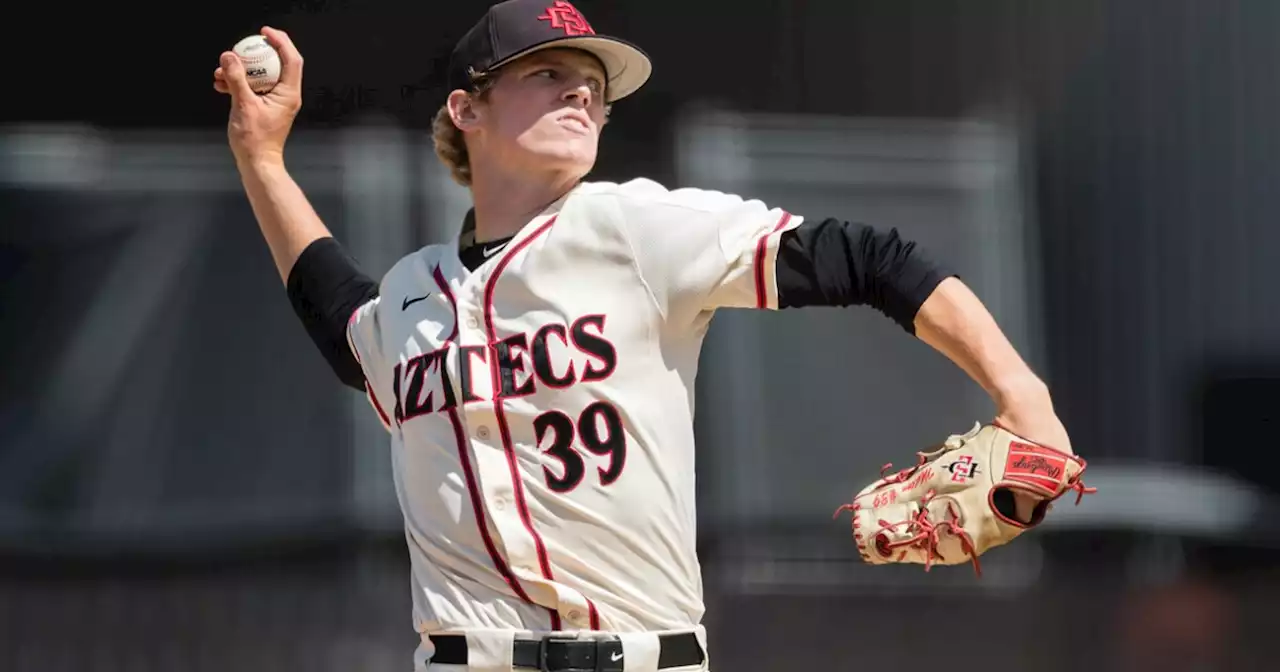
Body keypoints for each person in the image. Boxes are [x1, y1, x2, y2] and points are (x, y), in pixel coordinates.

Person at [213, 1, 1078, 670]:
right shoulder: (412, 294)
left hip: (646, 655)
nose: (581, 90)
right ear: (466, 109)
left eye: (592, 82)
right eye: (546, 72)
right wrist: (262, 160)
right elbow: (339, 319)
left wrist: (1024, 396)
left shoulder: (635, 228)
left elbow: (873, 259)